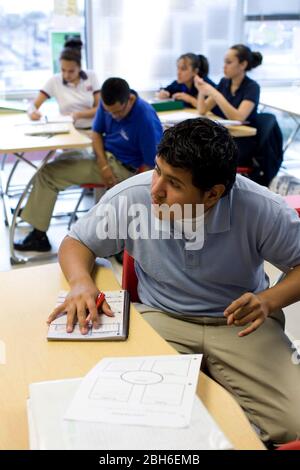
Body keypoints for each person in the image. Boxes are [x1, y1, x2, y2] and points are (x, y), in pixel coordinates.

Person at [49, 118, 300, 446]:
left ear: (212, 194)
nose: (155, 191)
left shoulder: (261, 209)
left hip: (238, 323)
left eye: (174, 184)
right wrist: (81, 281)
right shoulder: (134, 196)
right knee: (126, 417)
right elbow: (77, 241)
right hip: (161, 318)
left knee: (293, 425)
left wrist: (269, 300)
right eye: (157, 170)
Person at [14, 77, 163, 252]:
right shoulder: (108, 104)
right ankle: (34, 213)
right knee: (60, 161)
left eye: (117, 113)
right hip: (106, 158)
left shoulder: (145, 117)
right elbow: (97, 133)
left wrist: (130, 192)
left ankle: (38, 235)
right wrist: (103, 166)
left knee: (49, 174)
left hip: (125, 169)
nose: (113, 116)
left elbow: (151, 165)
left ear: (129, 99)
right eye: (109, 113)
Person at [194, 44, 263, 165]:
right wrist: (201, 90)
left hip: (243, 140)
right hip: (226, 137)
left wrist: (214, 93)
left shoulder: (252, 87)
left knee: (205, 156)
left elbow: (238, 117)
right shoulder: (224, 82)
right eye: (224, 62)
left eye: (229, 62)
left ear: (243, 65)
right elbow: (202, 109)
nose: (224, 66)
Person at [28, 37, 100, 130]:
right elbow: (32, 106)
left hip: (91, 129)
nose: (66, 75)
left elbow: (100, 109)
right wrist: (32, 112)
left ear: (79, 67)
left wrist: (78, 115)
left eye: (71, 71)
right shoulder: (54, 80)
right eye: (63, 70)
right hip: (67, 130)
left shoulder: (91, 76)